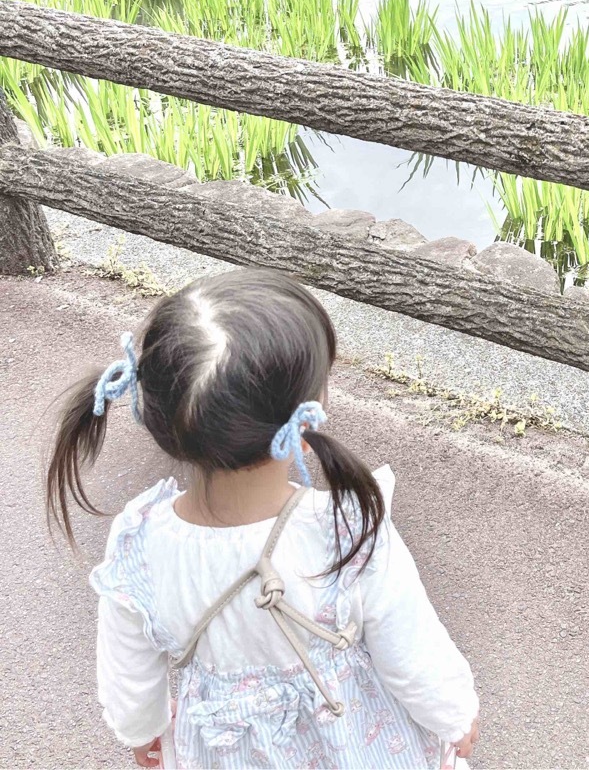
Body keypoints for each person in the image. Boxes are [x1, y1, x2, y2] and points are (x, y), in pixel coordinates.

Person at [46, 269, 480, 769]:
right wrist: (455, 715)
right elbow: (412, 652)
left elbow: (129, 677)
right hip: (355, 740)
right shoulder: (346, 528)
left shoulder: (139, 542)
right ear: (304, 417)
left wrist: (142, 731)